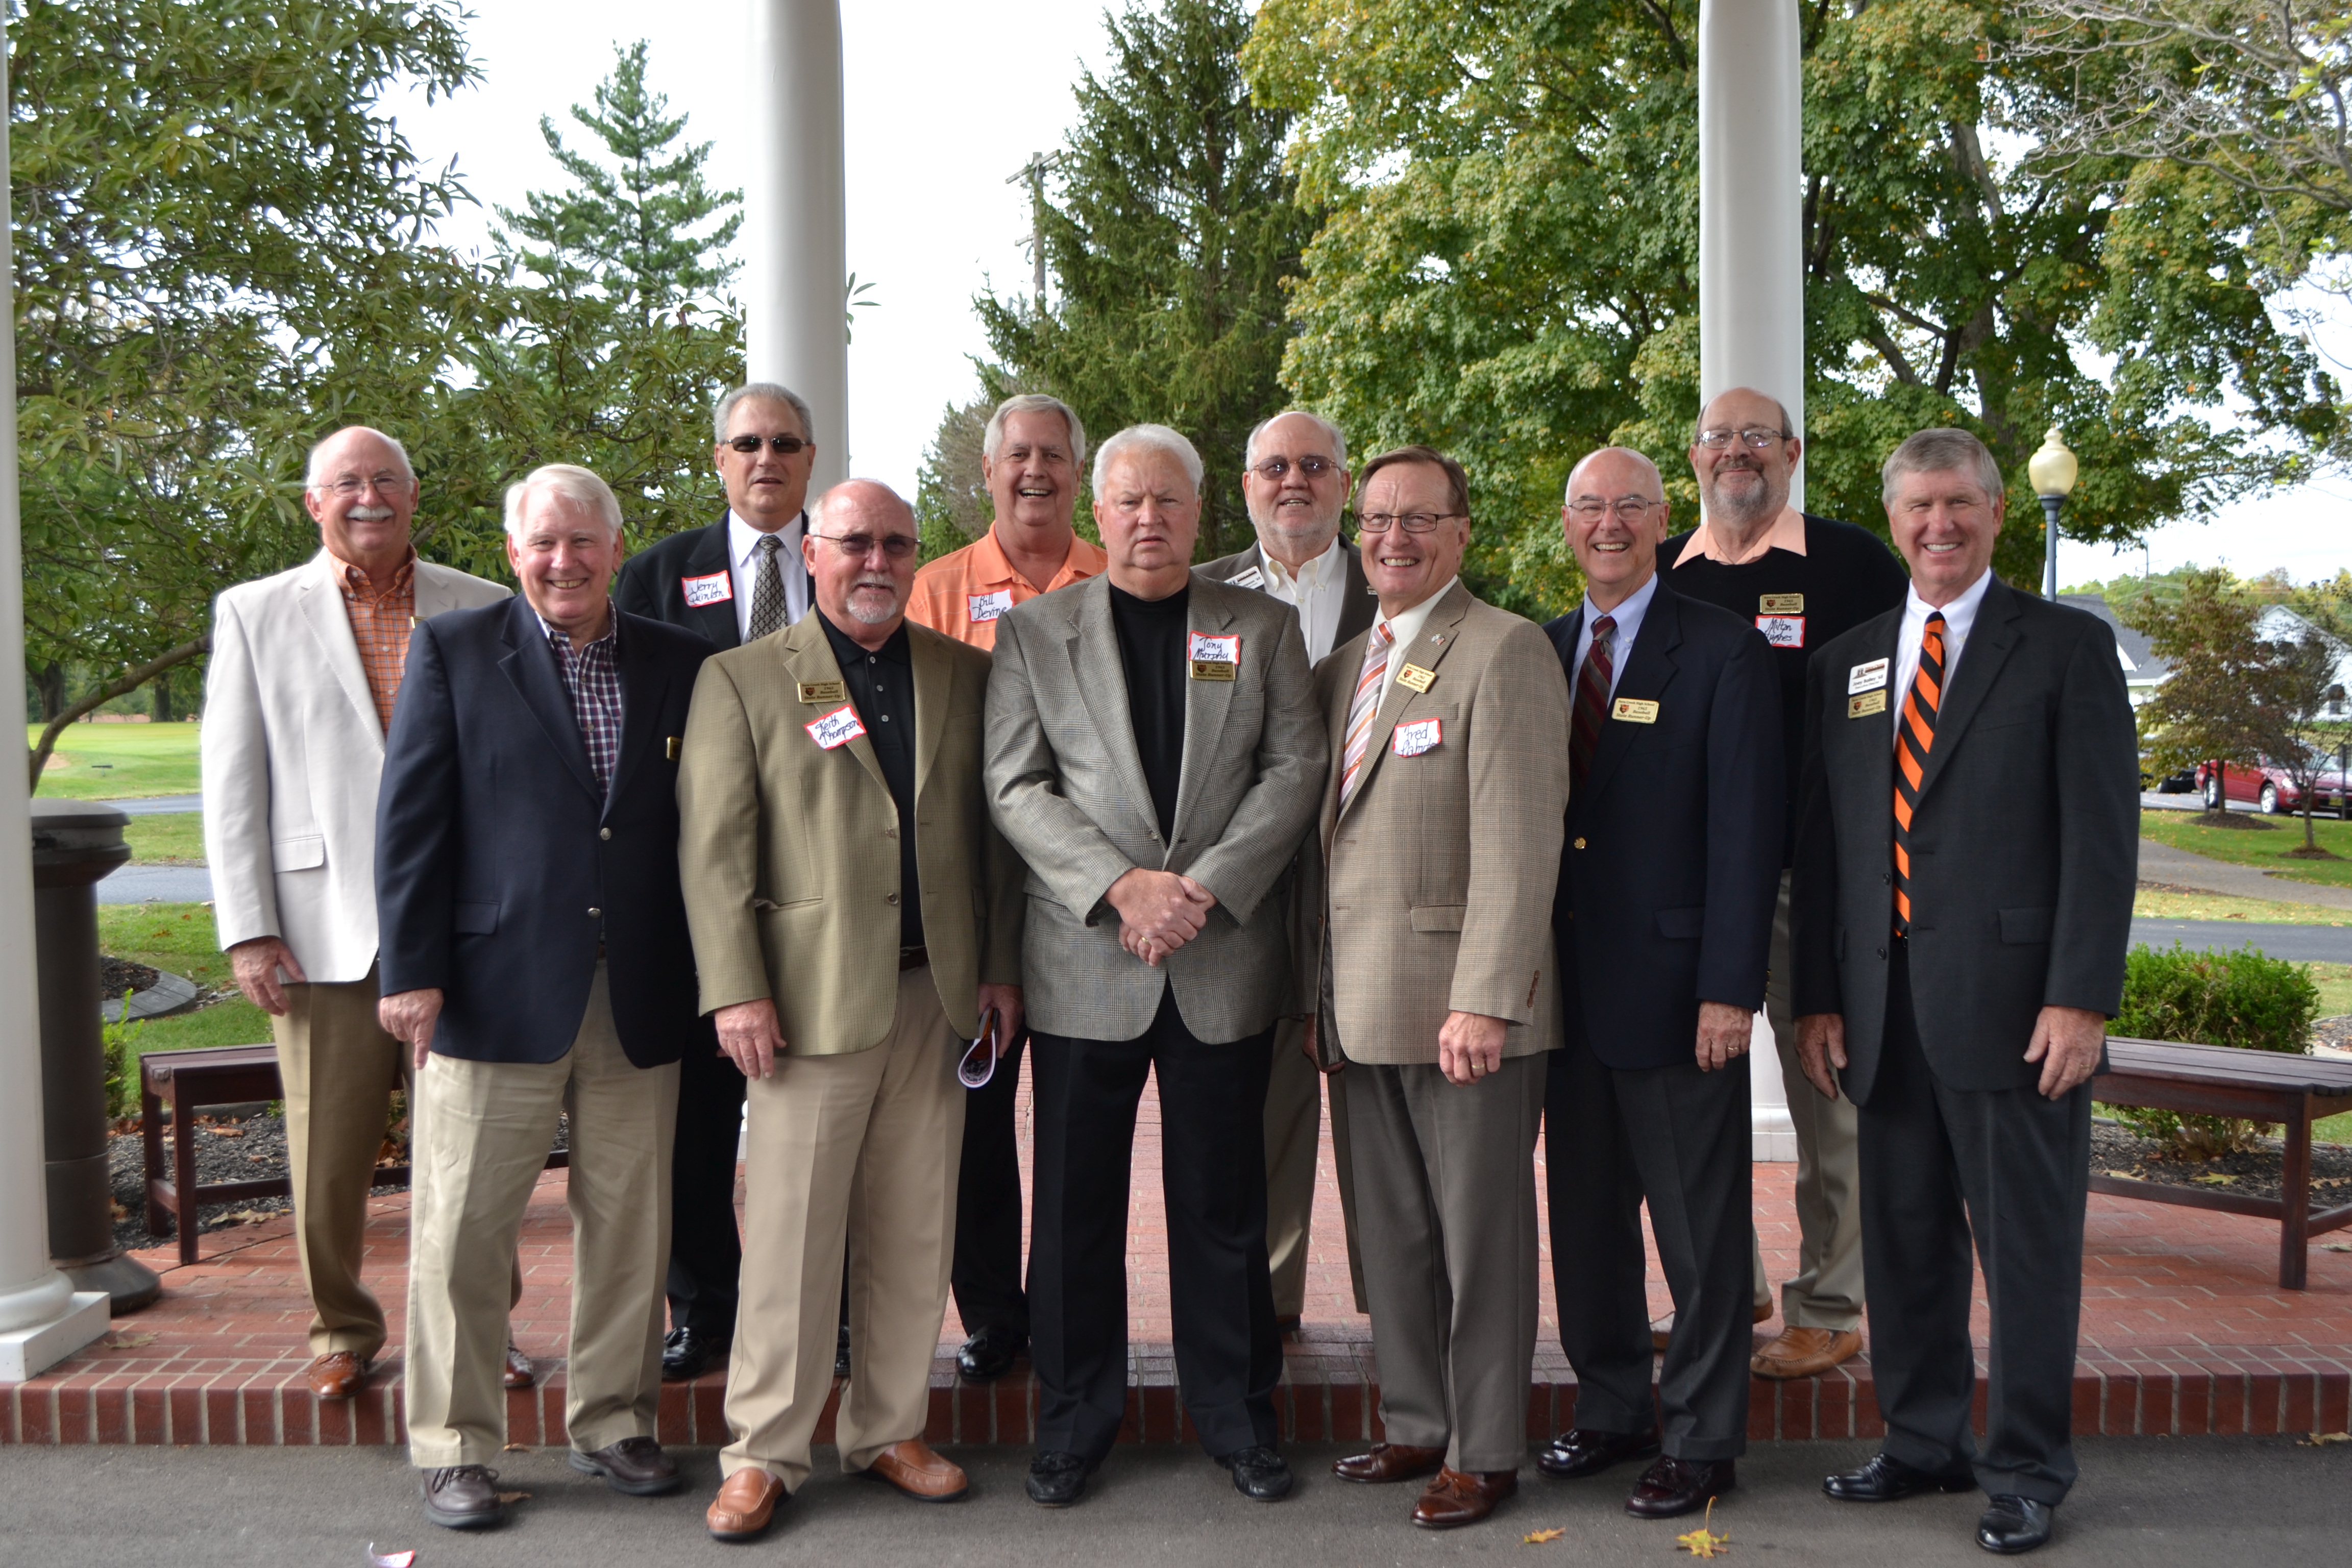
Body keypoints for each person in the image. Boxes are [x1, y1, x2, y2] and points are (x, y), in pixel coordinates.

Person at [1794, 429, 2137, 1556]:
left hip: (2018, 1014)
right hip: (1882, 1012)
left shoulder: (2065, 647)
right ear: (1891, 521)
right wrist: (1819, 998)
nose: (1938, 524)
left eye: (1958, 504)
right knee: (1903, 1243)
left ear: (1994, 512)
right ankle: (1924, 1440)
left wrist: (2080, 996)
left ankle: (2029, 1467)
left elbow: (2103, 838)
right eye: (1917, 507)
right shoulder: (1846, 660)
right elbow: (1826, 847)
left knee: (2025, 1253)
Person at [984, 424, 1325, 1508]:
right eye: (1128, 502)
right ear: (1100, 509)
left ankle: (1235, 1417)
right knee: (1074, 1208)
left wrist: (1205, 887)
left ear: (1197, 513)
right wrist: (1123, 886)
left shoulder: (1261, 628)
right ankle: (1075, 1421)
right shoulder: (1036, 634)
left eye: (1167, 503)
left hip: (1220, 957)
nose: (1147, 520)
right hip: (1088, 955)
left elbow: (1295, 766)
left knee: (1223, 1203)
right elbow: (1015, 785)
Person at [681, 480, 1025, 1543]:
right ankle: (762, 1453)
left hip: (939, 996)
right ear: (813, 553)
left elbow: (997, 842)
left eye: (895, 543)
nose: (875, 560)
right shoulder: (741, 679)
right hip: (806, 1005)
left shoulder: (968, 675)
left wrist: (999, 971)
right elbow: (714, 851)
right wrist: (736, 986)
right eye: (854, 542)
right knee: (790, 1237)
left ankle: (887, 1429)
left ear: (916, 556)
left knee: (913, 1229)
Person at [376, 464, 716, 1529]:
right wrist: (412, 970)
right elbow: (414, 819)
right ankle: (454, 1444)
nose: (563, 561)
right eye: (543, 543)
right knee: (466, 1230)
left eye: (583, 541)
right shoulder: (456, 650)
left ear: (618, 547)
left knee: (628, 1228)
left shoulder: (682, 660)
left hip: (641, 994)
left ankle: (614, 1420)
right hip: (491, 989)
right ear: (513, 550)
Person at [200, 426, 516, 1404]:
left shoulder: (486, 605)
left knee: (470, 1151)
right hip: (316, 925)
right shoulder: (254, 613)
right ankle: (340, 1329)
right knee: (327, 1151)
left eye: (386, 480)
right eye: (346, 483)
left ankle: (480, 1332)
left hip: (465, 926)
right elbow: (230, 781)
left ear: (415, 498)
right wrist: (249, 925)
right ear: (314, 504)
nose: (368, 497)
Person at [1303, 445, 1571, 1531]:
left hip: (1468, 1015)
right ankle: (1415, 1421)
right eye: (1375, 521)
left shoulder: (1502, 652)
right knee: (1392, 1236)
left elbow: (1520, 842)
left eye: (1419, 520)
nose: (1393, 540)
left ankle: (1488, 1446)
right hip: (1361, 1007)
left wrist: (1489, 998)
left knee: (1481, 1242)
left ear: (1464, 533)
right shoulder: (1343, 667)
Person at [1538, 447, 1782, 1520]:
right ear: (1566, 524)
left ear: (1662, 519)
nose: (1608, 524)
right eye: (1589, 507)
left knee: (1700, 1231)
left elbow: (1747, 836)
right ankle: (1611, 1410)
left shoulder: (1723, 651)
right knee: (1585, 1220)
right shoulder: (1540, 652)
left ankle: (1703, 1436)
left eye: (1629, 506)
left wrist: (1731, 990)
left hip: (1683, 996)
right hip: (1565, 995)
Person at [1660, 387, 1911, 1379]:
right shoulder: (1666, 572)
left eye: (1756, 437)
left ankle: (1832, 1300)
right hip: (1694, 884)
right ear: (1693, 459)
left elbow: (1897, 722)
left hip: (1819, 878)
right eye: (1719, 439)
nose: (1737, 454)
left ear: (1793, 453)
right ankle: (1730, 1281)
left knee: (1828, 1091)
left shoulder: (1852, 566)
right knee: (1689, 1095)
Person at [612, 381, 819, 1384]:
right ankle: (707, 1306)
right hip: (697, 884)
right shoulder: (658, 577)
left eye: (784, 442)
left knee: (829, 1112)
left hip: (826, 882)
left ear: (810, 458)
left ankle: (834, 1310)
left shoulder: (850, 562)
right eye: (748, 443)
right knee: (698, 1119)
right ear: (718, 458)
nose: (766, 459)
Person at [903, 391, 1103, 1384]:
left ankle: (1075, 1320)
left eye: (1055, 456)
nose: (1036, 471)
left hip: (1094, 905)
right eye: (1017, 455)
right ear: (986, 473)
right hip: (969, 903)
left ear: (1080, 473)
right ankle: (992, 1315)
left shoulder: (1122, 579)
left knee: (1077, 1129)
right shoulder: (935, 591)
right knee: (973, 1125)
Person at [1197, 408, 1379, 1326]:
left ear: (1344, 485)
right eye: (1274, 466)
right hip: (1246, 903)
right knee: (1259, 1124)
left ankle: (1406, 1319)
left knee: (1383, 1125)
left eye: (1314, 465)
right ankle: (1266, 1316)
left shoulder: (1398, 582)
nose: (1293, 481)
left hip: (1374, 901)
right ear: (1246, 487)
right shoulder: (1194, 596)